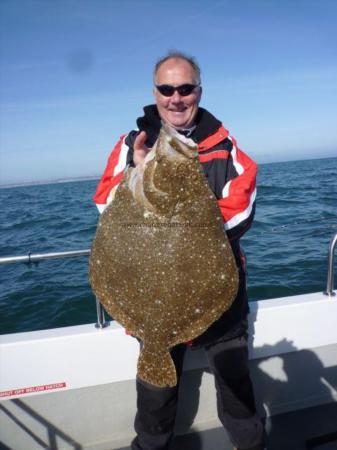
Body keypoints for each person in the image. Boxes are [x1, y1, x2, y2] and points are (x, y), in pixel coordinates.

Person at [93, 51, 265, 450]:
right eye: (167, 89)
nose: (176, 98)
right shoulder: (129, 145)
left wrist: (174, 216)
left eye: (185, 89)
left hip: (218, 296)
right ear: (155, 93)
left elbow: (242, 209)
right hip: (151, 295)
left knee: (236, 385)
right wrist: (137, 174)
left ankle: (253, 445)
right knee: (155, 397)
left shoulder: (224, 144)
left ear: (198, 92)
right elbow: (104, 204)